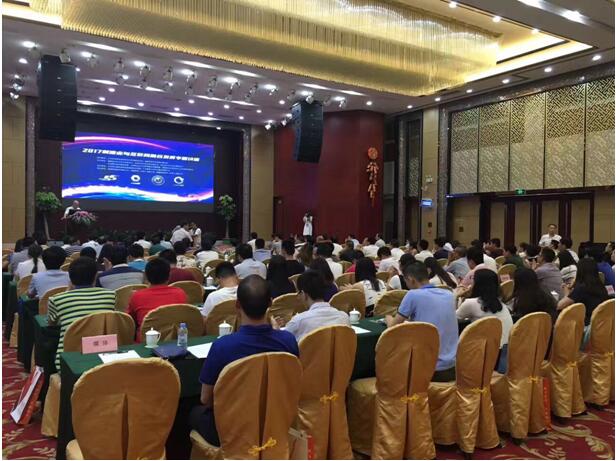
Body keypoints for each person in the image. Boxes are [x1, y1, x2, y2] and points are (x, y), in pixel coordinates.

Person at [190, 276, 299, 446]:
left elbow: (206, 398)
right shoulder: (288, 340)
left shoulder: (222, 346)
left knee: (193, 413)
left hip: (233, 426)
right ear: (270, 303)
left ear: (237, 305)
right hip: (276, 419)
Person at [385, 262, 458, 382]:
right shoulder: (449, 294)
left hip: (428, 369)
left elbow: (392, 328)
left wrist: (388, 318)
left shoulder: (413, 295)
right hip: (453, 366)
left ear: (410, 279)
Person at [48, 257, 116, 370]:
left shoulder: (57, 299)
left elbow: (51, 324)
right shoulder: (111, 295)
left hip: (68, 362)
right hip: (106, 356)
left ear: (70, 278)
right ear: (96, 276)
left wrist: (68, 290)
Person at [456, 269, 512, 373]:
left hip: (486, 358)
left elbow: (453, 319)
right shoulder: (502, 305)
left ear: (477, 284)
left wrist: (457, 296)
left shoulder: (471, 303)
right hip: (505, 355)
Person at [276, 270, 350, 341]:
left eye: (298, 293)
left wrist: (276, 331)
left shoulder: (299, 321)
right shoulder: (344, 317)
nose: (298, 297)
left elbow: (283, 342)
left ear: (303, 294)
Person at [127, 258, 187, 339]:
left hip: (146, 342)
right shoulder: (180, 293)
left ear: (146, 277)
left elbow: (130, 322)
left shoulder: (137, 296)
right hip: (174, 340)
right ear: (169, 276)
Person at [558, 258, 608, 332]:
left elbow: (559, 306)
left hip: (585, 328)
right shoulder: (601, 286)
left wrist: (566, 293)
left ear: (580, 271)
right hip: (600, 326)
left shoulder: (581, 288)